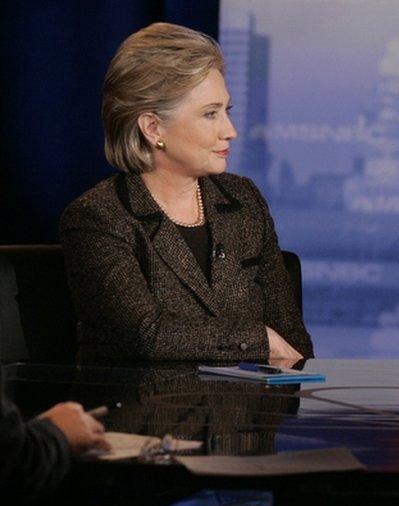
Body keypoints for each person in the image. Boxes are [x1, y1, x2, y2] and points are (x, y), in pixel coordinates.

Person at [61, 23, 312, 363]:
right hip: (141, 411)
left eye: (227, 111)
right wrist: (257, 339)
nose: (230, 131)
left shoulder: (242, 200)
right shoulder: (99, 216)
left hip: (246, 412)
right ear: (153, 127)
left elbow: (293, 343)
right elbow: (147, 335)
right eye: (210, 114)